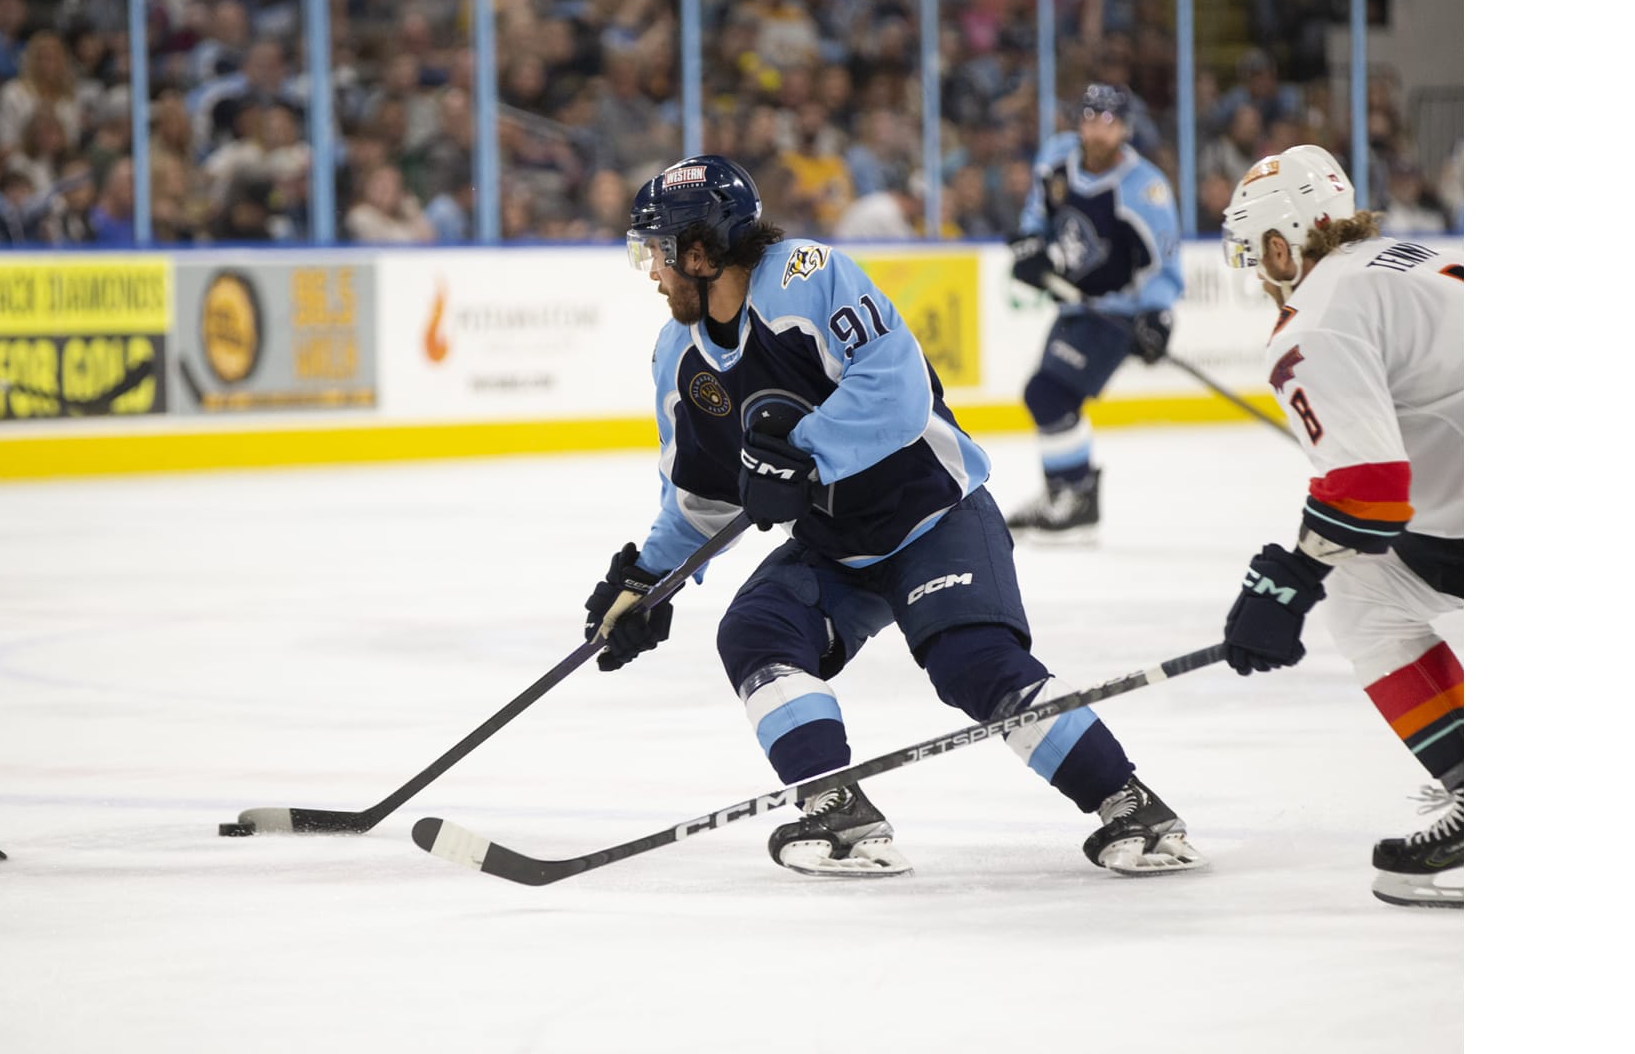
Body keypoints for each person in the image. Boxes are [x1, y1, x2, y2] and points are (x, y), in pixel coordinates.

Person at [587, 154, 1207, 879]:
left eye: (658, 253)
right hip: (835, 546)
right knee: (756, 632)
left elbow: (897, 388)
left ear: (699, 252)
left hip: (934, 515)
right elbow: (703, 495)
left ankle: (1133, 808)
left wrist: (803, 455)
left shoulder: (804, 277)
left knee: (973, 662)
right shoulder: (677, 358)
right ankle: (837, 809)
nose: (653, 273)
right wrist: (647, 580)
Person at [1217, 145, 1463, 908]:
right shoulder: (1405, 260)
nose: (1263, 277)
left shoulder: (1316, 317)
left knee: (1366, 600)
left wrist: (1290, 581)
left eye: (1258, 256)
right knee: (1367, 592)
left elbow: (1370, 491)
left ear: (1282, 246)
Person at [1005, 83, 1183, 537]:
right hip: (1073, 305)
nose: (1098, 130)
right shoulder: (1058, 156)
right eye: (1090, 118)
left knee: (1047, 394)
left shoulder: (1145, 189)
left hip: (1117, 313)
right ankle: (1064, 494)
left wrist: (1157, 316)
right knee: (1048, 397)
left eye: (1109, 121)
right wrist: (1031, 245)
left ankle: (1076, 496)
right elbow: (1038, 212)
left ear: (1125, 128)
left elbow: (1162, 265)